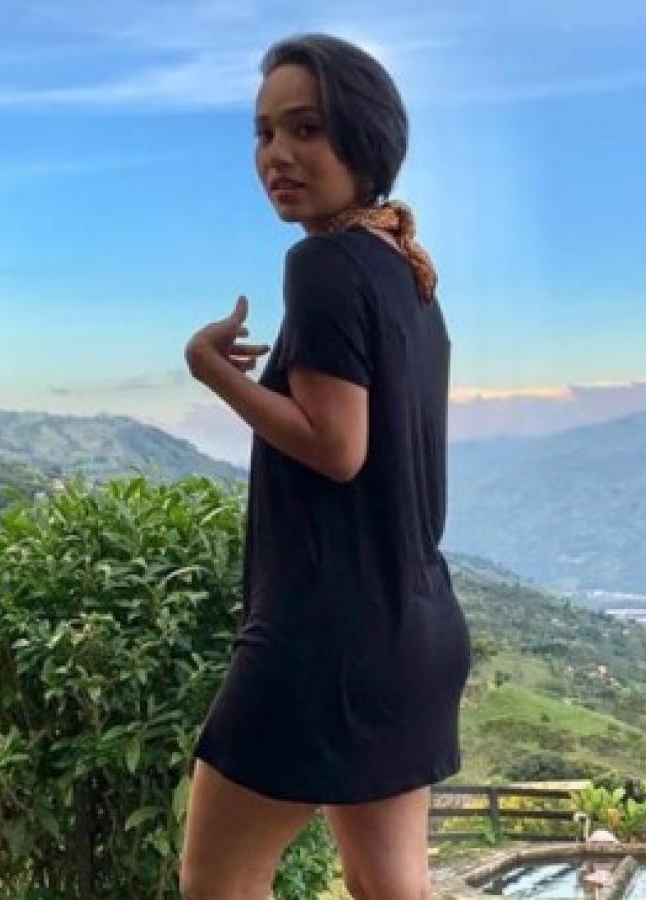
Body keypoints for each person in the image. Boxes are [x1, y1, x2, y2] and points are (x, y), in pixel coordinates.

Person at [178, 31, 472, 900]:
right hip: (412, 630)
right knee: (387, 885)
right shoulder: (403, 271)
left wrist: (209, 371)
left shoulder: (324, 263)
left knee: (218, 884)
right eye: (265, 132)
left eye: (306, 128)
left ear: (364, 137)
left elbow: (337, 448)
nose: (278, 154)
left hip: (324, 641)